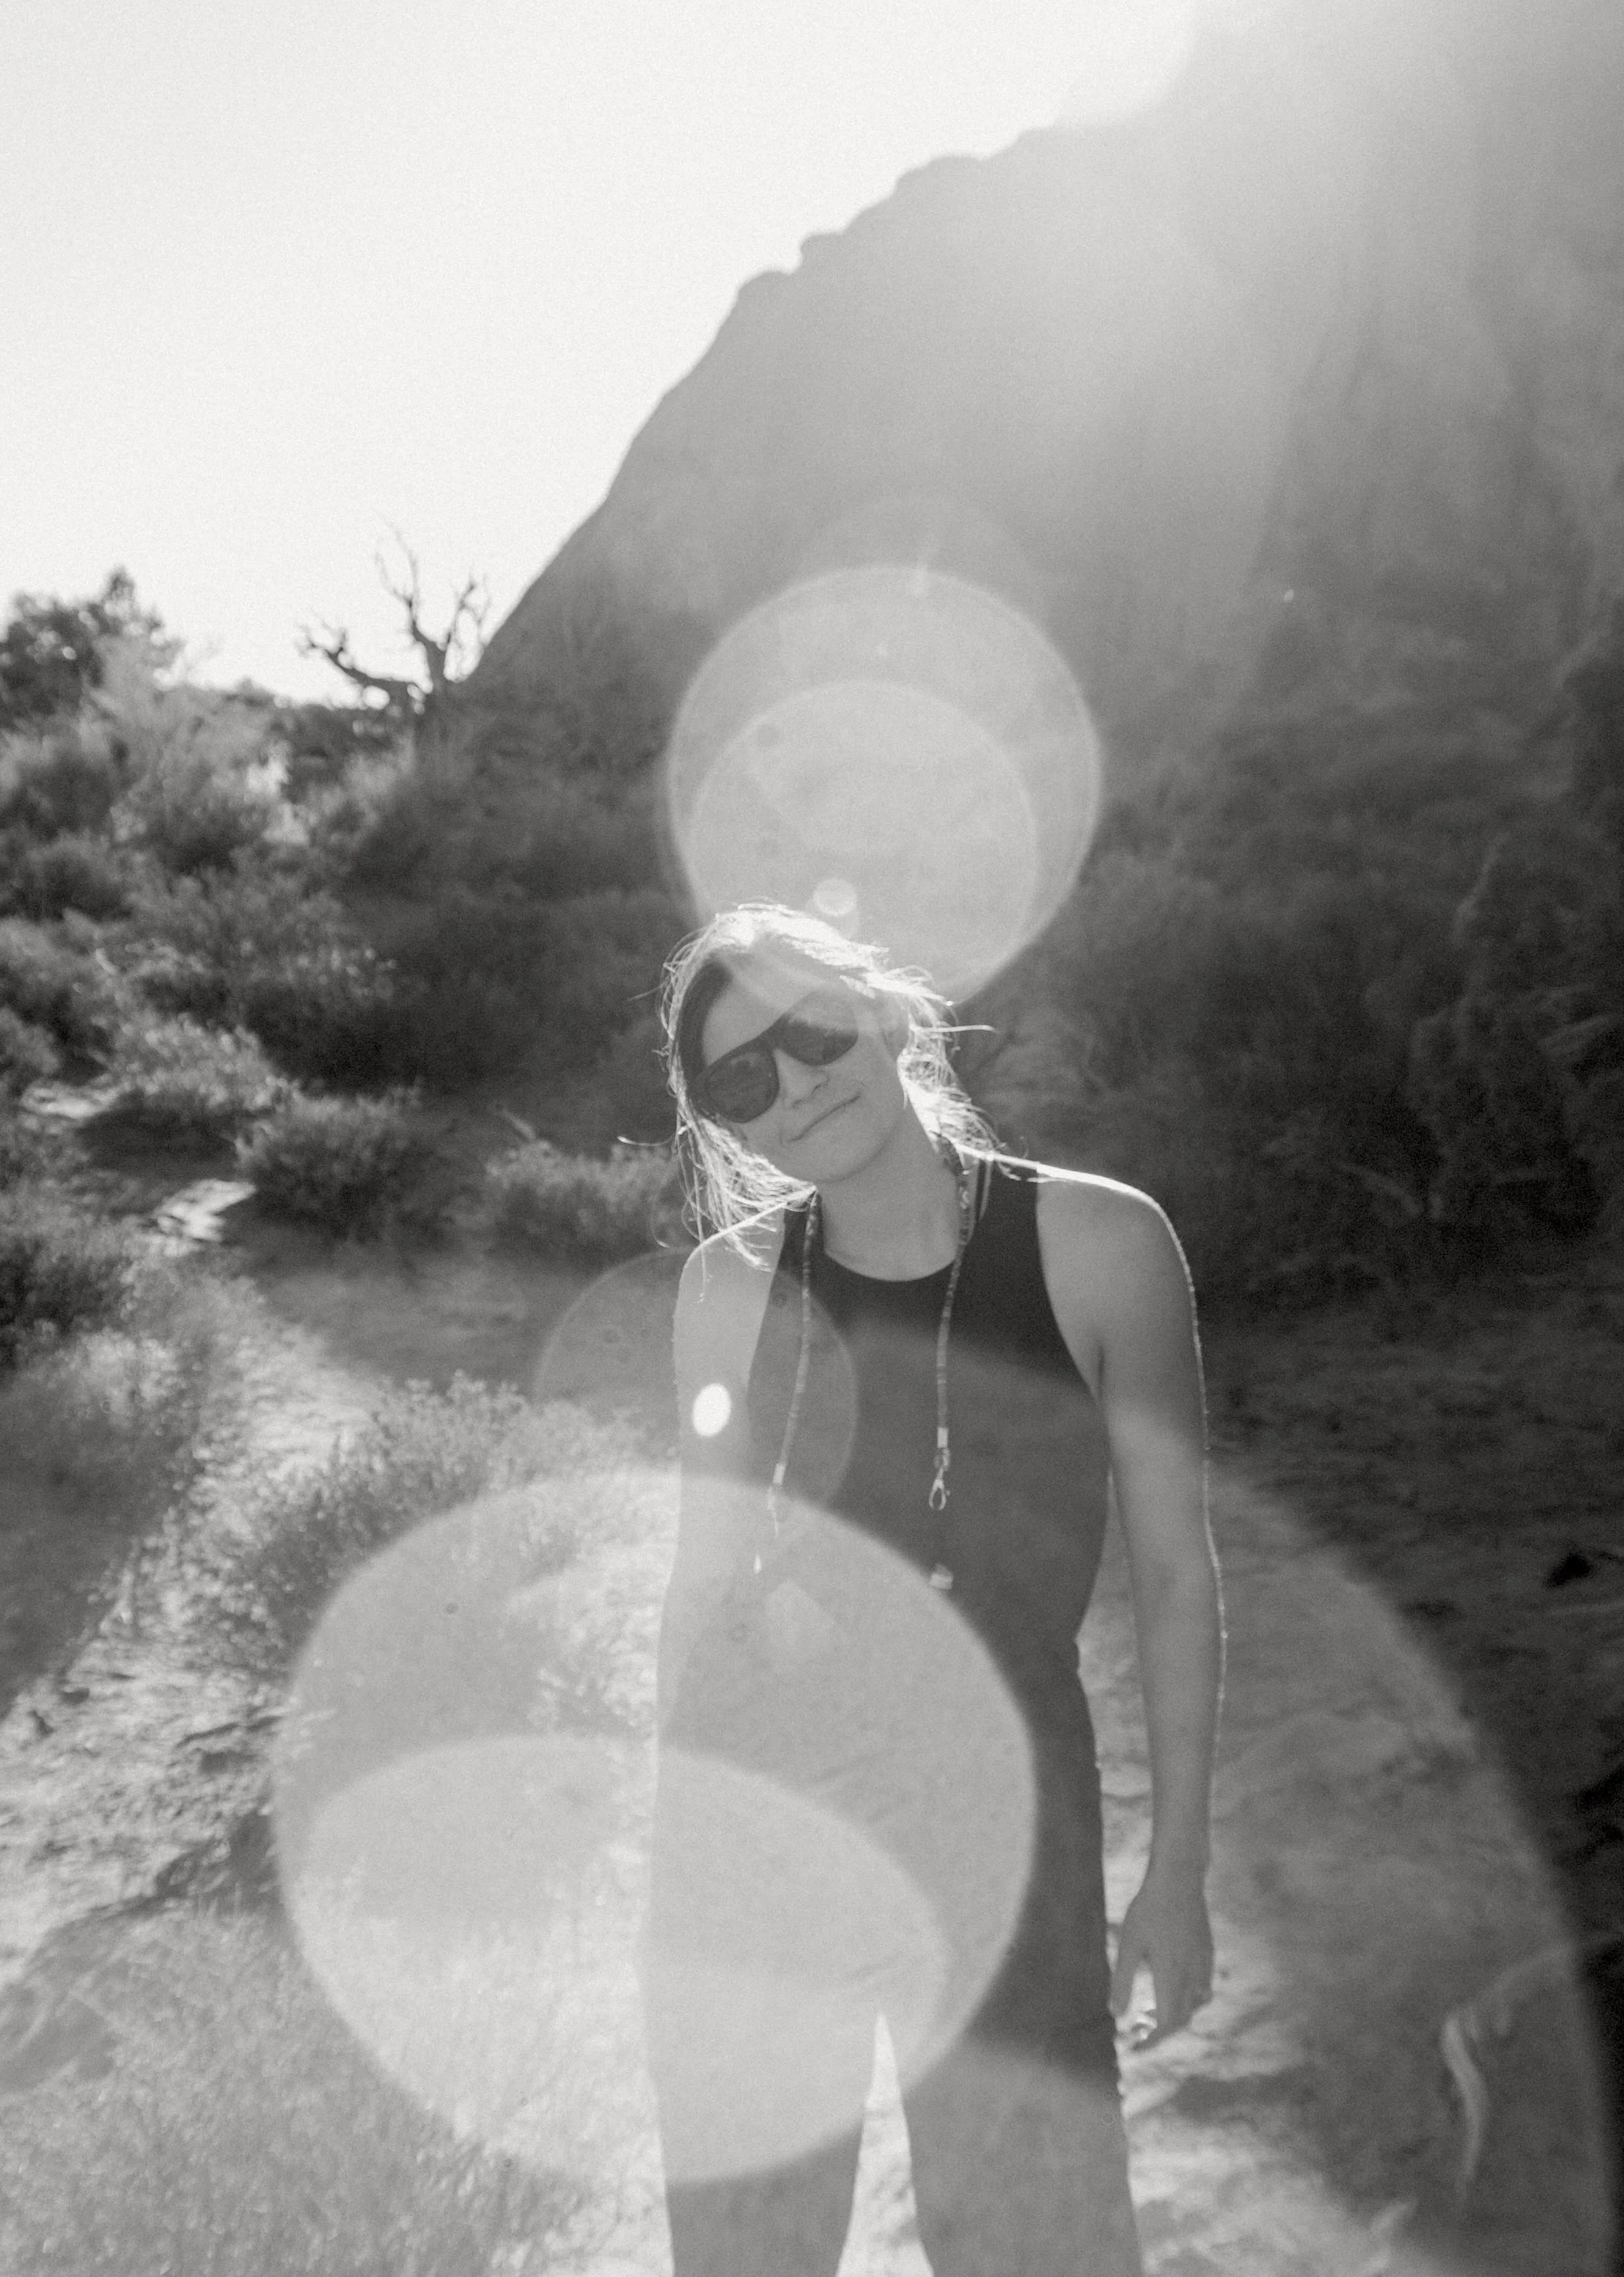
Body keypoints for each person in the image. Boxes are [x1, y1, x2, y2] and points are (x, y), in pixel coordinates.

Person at [643, 902, 1222, 2277]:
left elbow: (1170, 1572)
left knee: (1038, 2243)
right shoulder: (726, 1290)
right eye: (742, 1080)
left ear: (887, 1015)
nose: (793, 1084)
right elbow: (700, 1581)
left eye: (811, 1034)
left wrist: (1177, 1871)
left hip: (1006, 1821)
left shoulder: (1096, 1247)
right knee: (746, 2249)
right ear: (727, 1124)